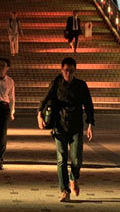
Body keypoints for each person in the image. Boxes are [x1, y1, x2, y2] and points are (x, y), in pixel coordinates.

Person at [37, 57, 94, 202]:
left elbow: (88, 105)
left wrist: (90, 125)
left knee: (76, 159)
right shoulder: (56, 83)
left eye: (71, 70)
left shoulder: (81, 85)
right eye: (66, 70)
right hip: (59, 125)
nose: (68, 73)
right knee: (61, 159)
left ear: (75, 70)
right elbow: (44, 99)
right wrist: (39, 115)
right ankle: (64, 190)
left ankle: (74, 178)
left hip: (76, 126)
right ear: (62, 70)